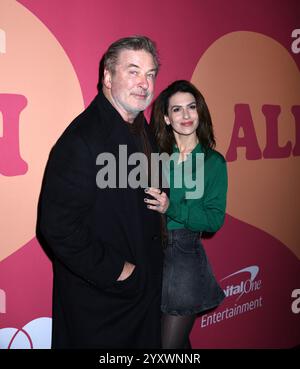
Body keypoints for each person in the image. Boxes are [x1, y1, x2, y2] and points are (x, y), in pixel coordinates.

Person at [37, 36, 164, 348]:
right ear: (107, 77)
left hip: (144, 295)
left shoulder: (143, 130)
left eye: (150, 75)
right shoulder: (82, 139)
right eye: (133, 72)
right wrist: (121, 272)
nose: (144, 84)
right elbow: (57, 228)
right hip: (104, 306)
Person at [147, 80, 228, 349]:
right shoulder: (155, 156)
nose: (186, 115)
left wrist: (173, 207)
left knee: (166, 348)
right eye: (177, 109)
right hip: (151, 254)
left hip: (184, 258)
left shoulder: (212, 162)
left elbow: (214, 219)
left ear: (199, 112)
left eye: (191, 107)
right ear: (167, 118)